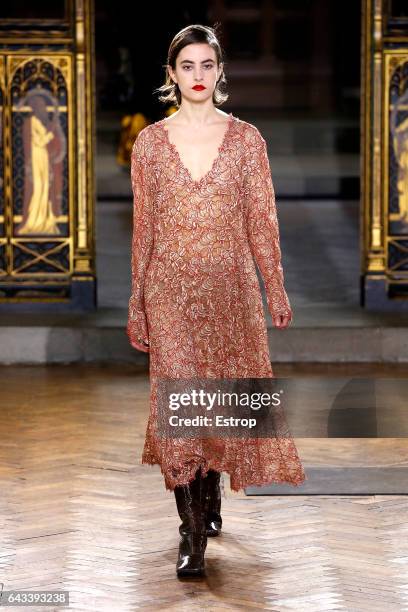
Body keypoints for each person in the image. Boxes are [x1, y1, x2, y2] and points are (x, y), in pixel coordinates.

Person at [127, 23, 307, 577]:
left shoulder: (247, 140)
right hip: (170, 290)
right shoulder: (151, 144)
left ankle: (209, 498)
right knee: (181, 401)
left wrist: (273, 285)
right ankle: (190, 533)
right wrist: (138, 300)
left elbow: (262, 220)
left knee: (219, 397)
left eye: (207, 65)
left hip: (230, 288)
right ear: (171, 75)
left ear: (220, 71)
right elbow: (145, 227)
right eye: (188, 66)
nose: (198, 76)